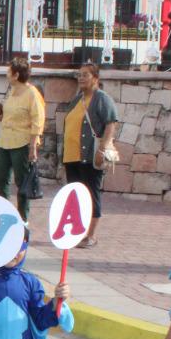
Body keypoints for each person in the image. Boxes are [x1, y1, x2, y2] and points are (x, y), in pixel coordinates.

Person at [62, 62, 119, 249]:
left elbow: (110, 123)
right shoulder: (77, 99)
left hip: (89, 155)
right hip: (72, 156)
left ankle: (91, 235)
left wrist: (102, 149)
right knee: (76, 195)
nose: (81, 78)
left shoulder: (101, 98)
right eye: (79, 75)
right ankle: (78, 231)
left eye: (85, 75)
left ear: (95, 78)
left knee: (90, 193)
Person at [0, 55, 45, 222]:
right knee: (0, 178)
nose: (7, 74)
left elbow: (38, 119)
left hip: (22, 143)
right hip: (5, 141)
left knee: (22, 182)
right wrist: (0, 114)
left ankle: (23, 219)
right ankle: (5, 213)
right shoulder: (12, 91)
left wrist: (33, 147)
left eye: (9, 71)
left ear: (16, 75)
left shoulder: (32, 93)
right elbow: (8, 114)